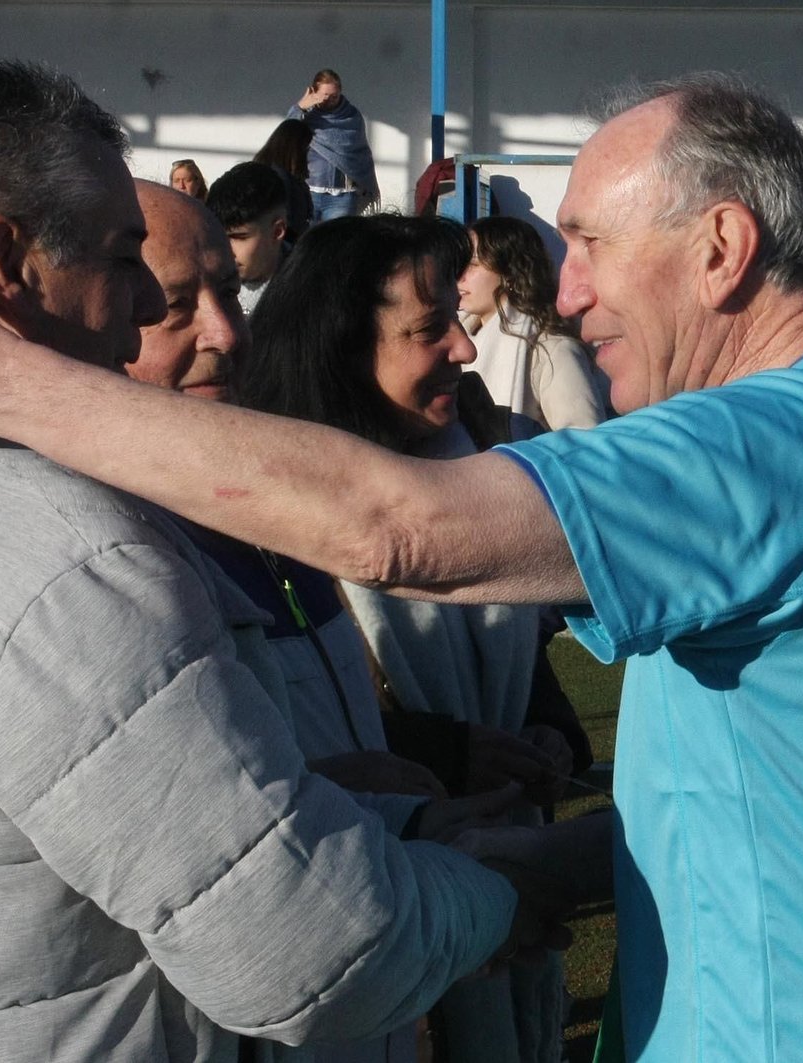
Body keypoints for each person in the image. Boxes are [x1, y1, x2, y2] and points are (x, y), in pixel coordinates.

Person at [0, 70, 803, 1061]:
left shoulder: (799, 437)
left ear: (723, 247)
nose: (565, 291)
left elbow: (408, 532)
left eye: (594, 241)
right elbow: (746, 810)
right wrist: (462, 846)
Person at [0, 55, 565, 1063]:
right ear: (2, 261)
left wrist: (327, 805)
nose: (158, 320)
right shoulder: (70, 559)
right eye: (125, 265)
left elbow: (4, 827)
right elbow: (310, 954)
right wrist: (492, 897)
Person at [237, 213, 591, 1063]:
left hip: (483, 887)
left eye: (459, 323)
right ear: (340, 348)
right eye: (430, 330)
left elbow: (512, 655)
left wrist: (543, 733)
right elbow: (277, 735)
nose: (466, 351)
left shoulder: (472, 466)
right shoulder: (267, 519)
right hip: (375, 927)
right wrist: (455, 750)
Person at [458, 215, 606, 430]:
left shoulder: (551, 348)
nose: (459, 276)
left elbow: (583, 439)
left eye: (472, 265)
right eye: (459, 264)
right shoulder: (457, 343)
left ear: (509, 273)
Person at [287, 69, 379, 221]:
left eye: (334, 96)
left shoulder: (351, 116)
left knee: (335, 242)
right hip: (309, 191)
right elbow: (286, 134)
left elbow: (359, 153)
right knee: (308, 241)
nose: (330, 100)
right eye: (325, 95)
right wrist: (300, 107)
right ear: (314, 92)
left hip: (342, 195)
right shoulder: (305, 115)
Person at [206, 162, 290, 317]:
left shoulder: (310, 291)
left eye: (238, 237)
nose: (225, 250)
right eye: (218, 236)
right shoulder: (201, 282)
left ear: (277, 231)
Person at [253, 118, 315, 243]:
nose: (308, 154)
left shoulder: (286, 175)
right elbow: (285, 220)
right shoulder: (278, 178)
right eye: (306, 149)